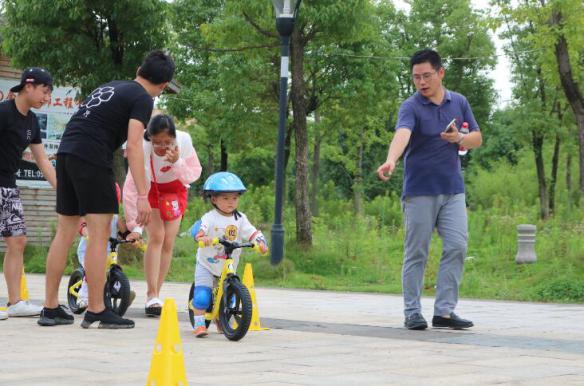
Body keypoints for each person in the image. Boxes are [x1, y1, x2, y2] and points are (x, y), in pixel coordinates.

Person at [39, 50, 175, 329]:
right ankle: (97, 309)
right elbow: (135, 146)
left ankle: (50, 308)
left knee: (65, 231)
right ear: (162, 86)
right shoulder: (142, 98)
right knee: (100, 234)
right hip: (92, 157)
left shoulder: (111, 86)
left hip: (67, 152)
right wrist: (142, 194)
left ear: (139, 69)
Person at [376, 49, 482, 330]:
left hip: (453, 191)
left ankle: (444, 312)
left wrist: (459, 137)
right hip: (419, 191)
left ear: (440, 73)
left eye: (426, 76)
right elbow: (403, 133)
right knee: (417, 252)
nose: (421, 82)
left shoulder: (458, 101)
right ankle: (412, 312)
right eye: (416, 77)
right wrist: (391, 160)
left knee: (458, 246)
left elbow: (477, 138)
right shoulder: (411, 106)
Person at [124, 114, 202, 316]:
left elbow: (193, 174)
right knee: (156, 237)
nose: (162, 146)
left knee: (168, 241)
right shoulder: (141, 146)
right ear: (149, 137)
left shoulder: (183, 141)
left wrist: (177, 162)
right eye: (157, 142)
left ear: (174, 137)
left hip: (175, 191)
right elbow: (131, 185)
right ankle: (151, 295)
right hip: (148, 189)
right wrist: (135, 224)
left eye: (167, 142)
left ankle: (156, 293)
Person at [0, 68, 57, 320]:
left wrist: (62, 191)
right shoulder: (3, 112)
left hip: (8, 186)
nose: (47, 97)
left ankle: (15, 302)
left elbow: (43, 160)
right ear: (28, 86)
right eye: (45, 91)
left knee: (18, 240)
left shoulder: (31, 122)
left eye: (49, 93)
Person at [190, 172, 268, 337]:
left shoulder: (240, 219)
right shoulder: (210, 217)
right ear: (214, 199)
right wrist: (203, 237)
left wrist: (261, 242)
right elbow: (201, 229)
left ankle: (222, 320)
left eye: (234, 198)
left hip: (228, 264)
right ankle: (199, 323)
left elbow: (252, 232)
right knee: (203, 296)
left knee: (230, 296)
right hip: (207, 264)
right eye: (225, 198)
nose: (231, 202)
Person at [76, 183, 139, 308]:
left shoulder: (115, 218)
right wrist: (87, 232)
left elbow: (124, 232)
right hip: (88, 252)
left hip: (109, 252)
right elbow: (82, 226)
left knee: (112, 270)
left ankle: (121, 291)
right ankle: (82, 297)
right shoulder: (90, 215)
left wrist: (131, 238)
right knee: (92, 271)